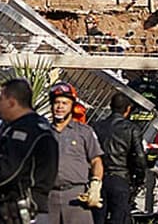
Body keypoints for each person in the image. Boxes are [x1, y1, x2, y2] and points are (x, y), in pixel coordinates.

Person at [0, 78, 59, 224]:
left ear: (11, 102)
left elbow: (9, 170)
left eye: (1, 99)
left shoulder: (25, 129)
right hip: (24, 208)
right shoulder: (35, 125)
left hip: (22, 209)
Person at [47, 81, 104, 224]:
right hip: (48, 197)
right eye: (57, 103)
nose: (60, 107)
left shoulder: (84, 132)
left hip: (76, 197)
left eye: (65, 103)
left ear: (72, 106)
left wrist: (96, 183)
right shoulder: (42, 133)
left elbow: (96, 160)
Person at [92, 93, 146, 224]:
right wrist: (139, 178)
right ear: (127, 109)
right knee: (120, 217)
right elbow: (139, 156)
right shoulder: (132, 128)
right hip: (121, 177)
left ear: (111, 107)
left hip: (99, 178)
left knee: (98, 218)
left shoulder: (97, 126)